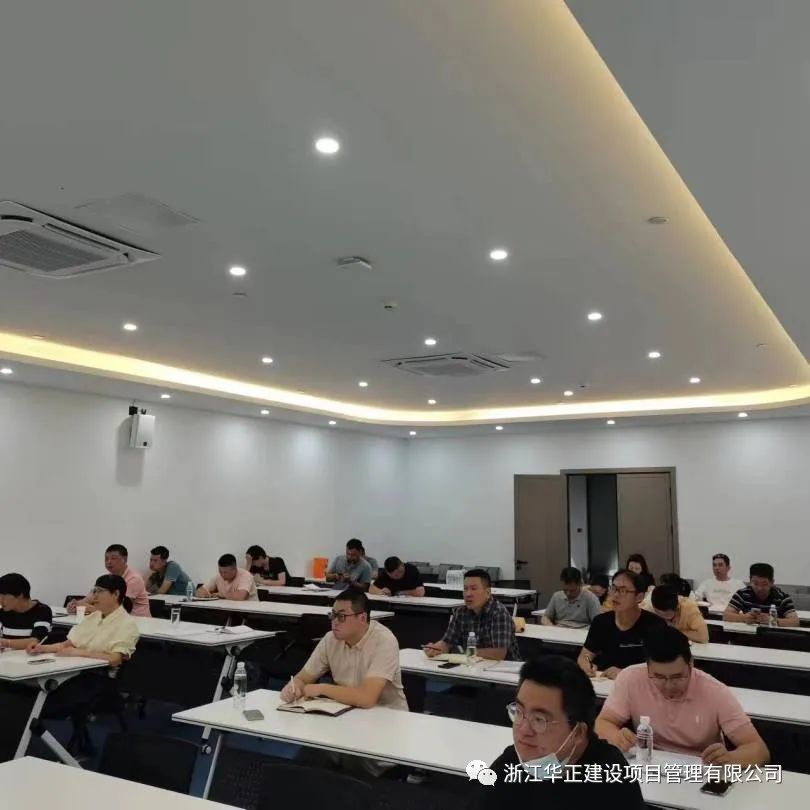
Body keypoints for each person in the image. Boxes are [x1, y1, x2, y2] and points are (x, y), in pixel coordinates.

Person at [483, 656, 645, 809]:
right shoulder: (512, 763)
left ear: (578, 733)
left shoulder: (612, 780)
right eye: (519, 712)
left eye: (539, 720)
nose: (524, 730)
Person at [595, 626, 769, 766]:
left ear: (691, 664)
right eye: (659, 677)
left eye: (677, 677)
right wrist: (616, 737)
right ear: (647, 666)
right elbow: (603, 722)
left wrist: (730, 758)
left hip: (700, 768)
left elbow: (759, 750)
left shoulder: (715, 691)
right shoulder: (631, 678)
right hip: (650, 765)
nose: (668, 685)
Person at [280, 587, 406, 776]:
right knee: (307, 756)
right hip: (345, 716)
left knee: (350, 766)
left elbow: (367, 698)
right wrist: (294, 687)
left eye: (341, 617)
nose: (334, 622)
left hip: (385, 724)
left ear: (362, 618)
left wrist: (322, 688)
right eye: (332, 615)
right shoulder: (330, 639)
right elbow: (303, 677)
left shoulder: (384, 641)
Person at [29, 575, 140, 737]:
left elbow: (115, 659)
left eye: (100, 591)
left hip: (99, 680)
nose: (94, 596)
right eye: (94, 591)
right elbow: (68, 644)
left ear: (116, 594)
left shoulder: (127, 624)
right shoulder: (93, 617)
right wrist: (41, 648)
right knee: (34, 694)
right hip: (76, 673)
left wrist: (78, 652)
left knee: (47, 703)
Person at [577, 570, 666, 680]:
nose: (615, 595)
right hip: (605, 683)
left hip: (638, 684)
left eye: (623, 590)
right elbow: (585, 655)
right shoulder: (600, 621)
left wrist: (625, 673)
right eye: (613, 588)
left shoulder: (655, 625)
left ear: (639, 596)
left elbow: (662, 667)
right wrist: (586, 664)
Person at [424, 568, 519, 661]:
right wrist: (435, 648)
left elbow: (499, 654)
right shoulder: (461, 612)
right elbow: (447, 643)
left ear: (488, 593)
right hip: (471, 664)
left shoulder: (498, 613)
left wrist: (462, 651)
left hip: (503, 668)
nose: (468, 594)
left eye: (473, 589)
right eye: (465, 589)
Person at [68, 544, 150, 618]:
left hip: (139, 622)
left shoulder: (134, 579)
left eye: (113, 558)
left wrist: (88, 608)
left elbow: (118, 609)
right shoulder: (107, 579)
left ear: (125, 559)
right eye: (106, 559)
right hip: (115, 621)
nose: (109, 562)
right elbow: (92, 598)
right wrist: (74, 604)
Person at [724, 563, 799, 626]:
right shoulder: (742, 594)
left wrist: (773, 620)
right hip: (747, 634)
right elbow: (726, 615)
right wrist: (744, 618)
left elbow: (795, 622)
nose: (759, 588)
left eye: (764, 584)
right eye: (755, 583)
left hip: (772, 635)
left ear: (772, 582)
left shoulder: (782, 597)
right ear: (750, 580)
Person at [0, 573, 53, 650]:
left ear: (20, 594)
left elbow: (34, 641)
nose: (0, 601)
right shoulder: (3, 612)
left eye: (3, 597)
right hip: (8, 656)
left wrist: (6, 643)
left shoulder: (42, 611)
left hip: (32, 656)